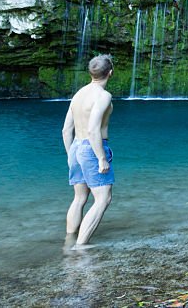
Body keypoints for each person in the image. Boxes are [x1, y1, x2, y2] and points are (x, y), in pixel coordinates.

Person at [62, 54, 115, 248]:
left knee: (80, 197)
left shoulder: (79, 94)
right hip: (92, 148)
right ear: (110, 73)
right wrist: (101, 157)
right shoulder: (103, 96)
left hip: (76, 145)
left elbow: (66, 130)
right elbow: (94, 129)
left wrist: (71, 154)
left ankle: (68, 242)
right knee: (103, 198)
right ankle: (80, 248)